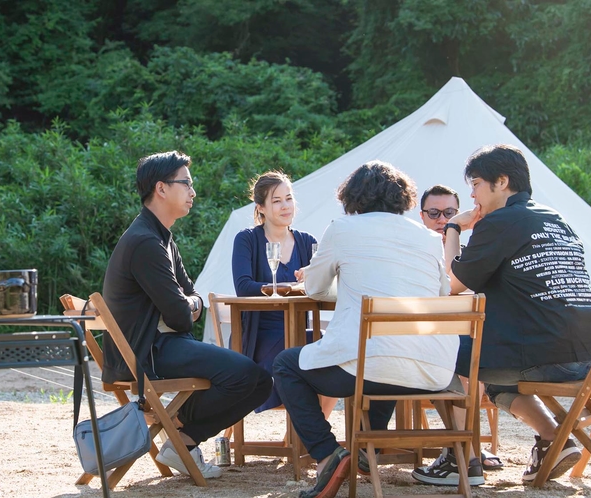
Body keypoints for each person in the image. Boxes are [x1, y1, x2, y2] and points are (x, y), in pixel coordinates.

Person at [412, 144, 591, 485]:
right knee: (491, 372)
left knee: (445, 355)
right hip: (589, 357)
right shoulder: (554, 218)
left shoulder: (501, 221)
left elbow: (454, 283)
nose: (472, 194)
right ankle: (551, 438)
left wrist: (454, 229)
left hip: (544, 355)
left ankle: (463, 458)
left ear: (501, 182)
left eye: (475, 184)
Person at [273, 161, 457, 498]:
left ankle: (329, 455)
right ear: (404, 198)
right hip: (434, 371)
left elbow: (314, 288)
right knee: (381, 355)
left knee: (286, 364)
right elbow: (441, 295)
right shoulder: (431, 239)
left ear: (352, 196)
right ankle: (362, 452)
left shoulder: (342, 229)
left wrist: (348, 286)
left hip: (369, 364)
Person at [102, 151, 272, 479]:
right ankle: (182, 436)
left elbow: (192, 296)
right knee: (248, 376)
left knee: (260, 381)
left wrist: (189, 305)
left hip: (158, 347)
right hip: (146, 353)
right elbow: (182, 316)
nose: (193, 192)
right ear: (161, 188)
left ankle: (183, 438)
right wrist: (190, 306)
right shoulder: (145, 242)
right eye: (187, 184)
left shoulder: (162, 238)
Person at [231, 171, 336, 415]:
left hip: (300, 330)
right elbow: (244, 286)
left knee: (336, 352)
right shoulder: (247, 239)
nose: (285, 206)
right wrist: (285, 289)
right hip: (260, 335)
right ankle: (309, 437)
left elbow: (323, 288)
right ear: (261, 208)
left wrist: (313, 279)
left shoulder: (306, 241)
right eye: (276, 201)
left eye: (288, 198)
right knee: (296, 354)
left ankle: (306, 436)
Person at [419, 183, 505, 473]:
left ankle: (466, 450)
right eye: (434, 213)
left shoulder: (473, 254)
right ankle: (469, 450)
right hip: (418, 336)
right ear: (422, 217)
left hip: (466, 339)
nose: (442, 219)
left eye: (450, 213)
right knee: (456, 360)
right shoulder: (412, 252)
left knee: (469, 362)